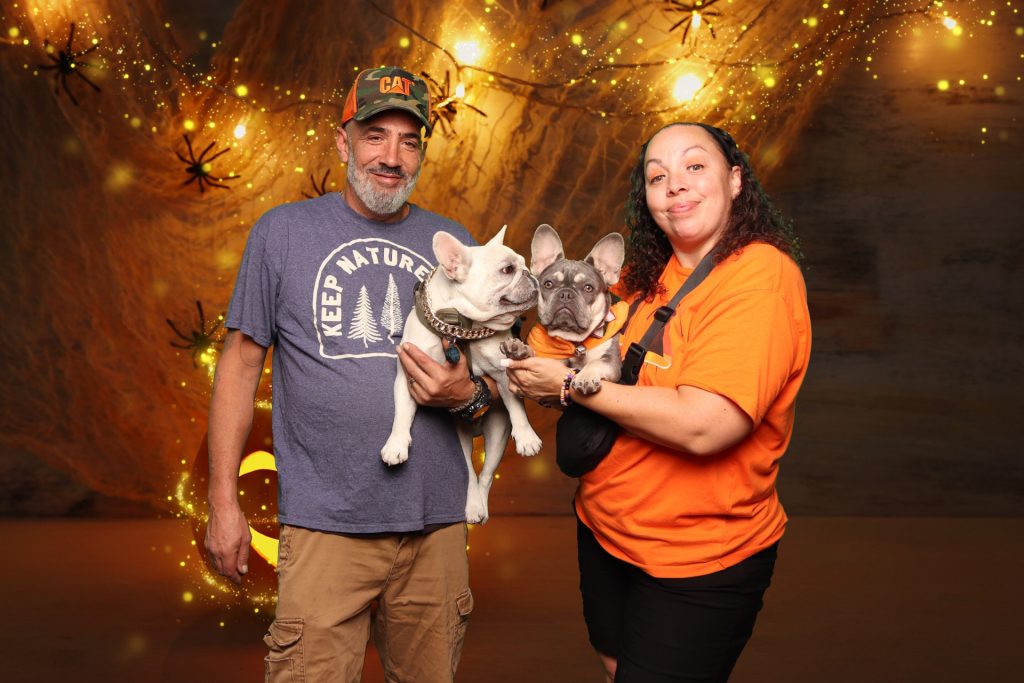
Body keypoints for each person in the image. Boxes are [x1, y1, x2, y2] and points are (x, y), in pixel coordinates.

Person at [205, 66, 491, 683]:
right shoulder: (282, 233)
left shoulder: (455, 245)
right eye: (374, 135)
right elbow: (239, 367)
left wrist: (467, 394)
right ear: (342, 143)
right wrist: (222, 501)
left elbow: (492, 383)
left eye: (409, 140)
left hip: (434, 527)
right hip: (325, 526)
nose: (392, 156)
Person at [505, 122, 811, 683]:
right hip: (605, 530)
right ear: (646, 198)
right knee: (617, 667)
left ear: (735, 180)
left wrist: (568, 387)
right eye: (657, 175)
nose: (675, 185)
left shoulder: (760, 280)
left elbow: (708, 425)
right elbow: (575, 364)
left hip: (696, 557)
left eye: (695, 166)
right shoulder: (650, 278)